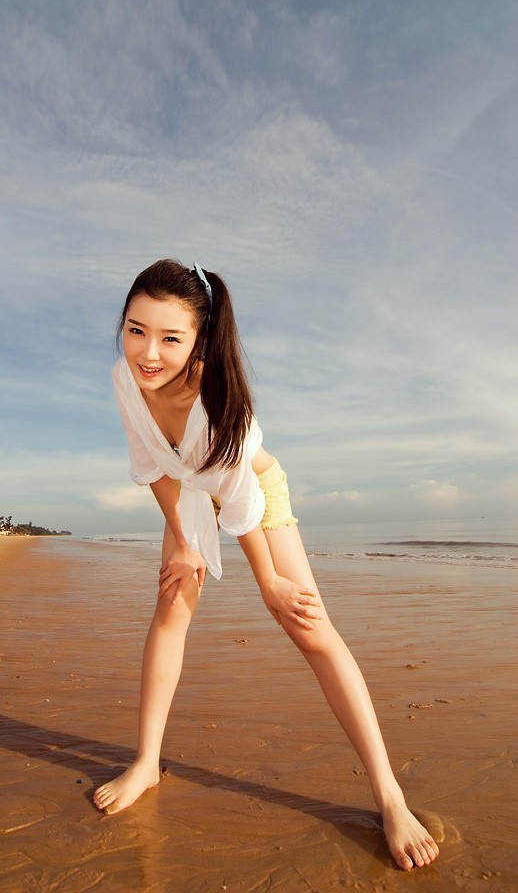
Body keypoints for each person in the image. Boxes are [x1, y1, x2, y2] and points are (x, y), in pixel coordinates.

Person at [93, 259, 440, 871]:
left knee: (307, 624)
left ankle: (390, 796)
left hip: (256, 492)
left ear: (199, 342)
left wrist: (270, 584)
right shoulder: (126, 377)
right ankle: (147, 762)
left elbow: (244, 502)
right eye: (135, 329)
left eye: (171, 338)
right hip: (189, 492)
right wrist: (183, 539)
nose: (148, 352)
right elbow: (151, 465)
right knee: (173, 598)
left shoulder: (221, 399)